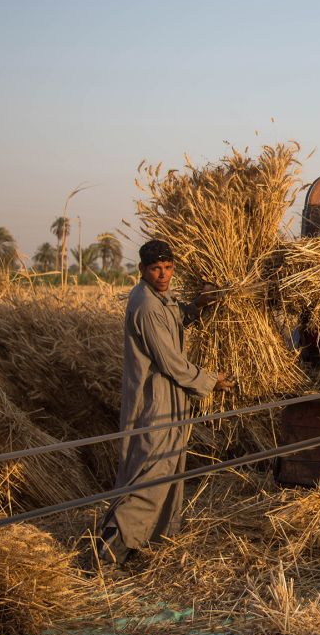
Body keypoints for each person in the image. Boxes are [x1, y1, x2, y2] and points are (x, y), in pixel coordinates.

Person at [95, 240, 232, 566]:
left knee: (164, 470)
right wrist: (212, 380)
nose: (163, 274)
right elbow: (171, 361)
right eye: (156, 268)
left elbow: (174, 321)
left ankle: (139, 547)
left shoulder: (158, 299)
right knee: (151, 476)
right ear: (142, 270)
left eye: (169, 268)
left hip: (168, 398)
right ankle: (108, 554)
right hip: (153, 401)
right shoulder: (145, 304)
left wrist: (197, 306)